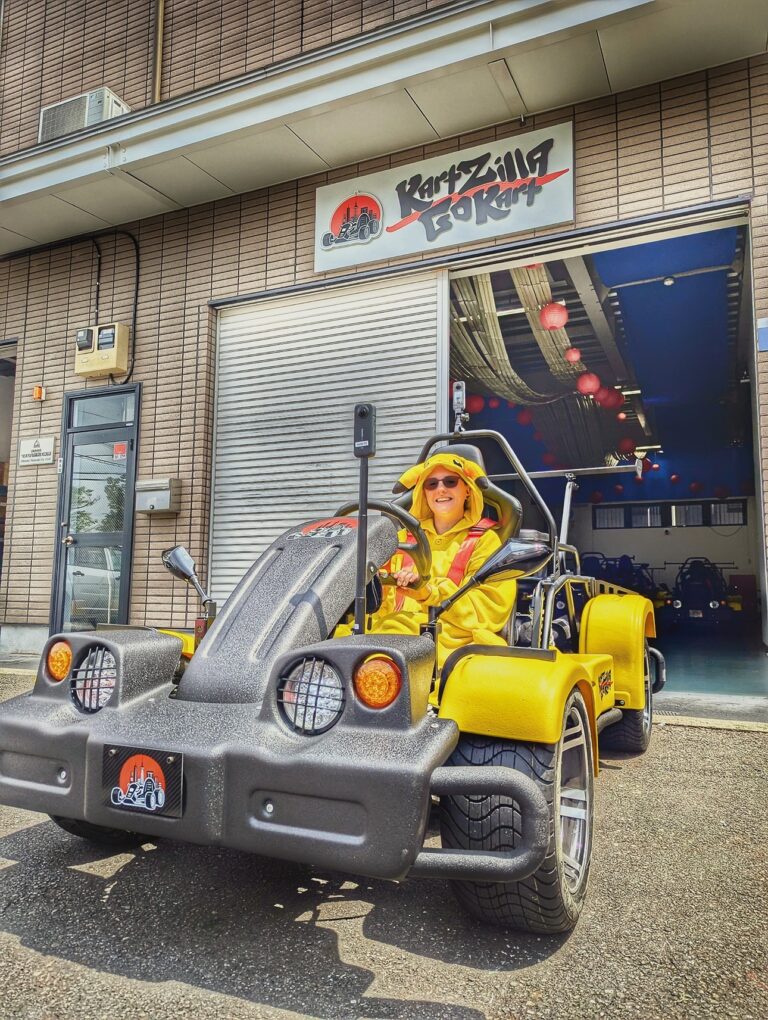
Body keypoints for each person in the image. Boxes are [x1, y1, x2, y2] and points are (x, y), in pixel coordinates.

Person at [341, 451, 518, 670]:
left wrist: (429, 593)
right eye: (431, 484)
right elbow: (380, 605)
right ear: (423, 493)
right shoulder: (403, 539)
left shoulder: (486, 541)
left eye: (450, 481)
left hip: (451, 641)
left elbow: (489, 610)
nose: (440, 489)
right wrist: (375, 583)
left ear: (468, 491)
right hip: (390, 632)